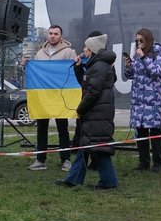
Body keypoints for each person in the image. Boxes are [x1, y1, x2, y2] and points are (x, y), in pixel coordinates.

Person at [60, 31, 118, 190]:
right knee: (87, 146)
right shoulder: (96, 65)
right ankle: (73, 179)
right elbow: (86, 84)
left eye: (86, 47)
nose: (83, 49)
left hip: (97, 113)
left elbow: (93, 92)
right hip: (96, 113)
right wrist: (79, 69)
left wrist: (80, 109)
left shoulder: (99, 66)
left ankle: (109, 182)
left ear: (92, 49)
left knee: (98, 148)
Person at [27, 25, 76, 172]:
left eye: (56, 33)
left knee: (63, 128)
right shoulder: (40, 53)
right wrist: (27, 66)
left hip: (61, 96)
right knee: (41, 128)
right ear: (47, 35)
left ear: (61, 36)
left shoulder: (69, 52)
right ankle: (40, 159)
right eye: (50, 33)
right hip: (44, 97)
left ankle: (66, 159)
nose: (52, 36)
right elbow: (36, 73)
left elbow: (73, 72)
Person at [122, 28, 161, 172]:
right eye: (136, 41)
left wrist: (144, 58)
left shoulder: (157, 54)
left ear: (148, 40)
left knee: (154, 131)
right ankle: (144, 161)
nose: (139, 43)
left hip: (152, 99)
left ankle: (158, 162)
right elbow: (131, 75)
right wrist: (128, 66)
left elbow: (156, 72)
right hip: (138, 99)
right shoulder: (137, 56)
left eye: (141, 40)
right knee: (140, 131)